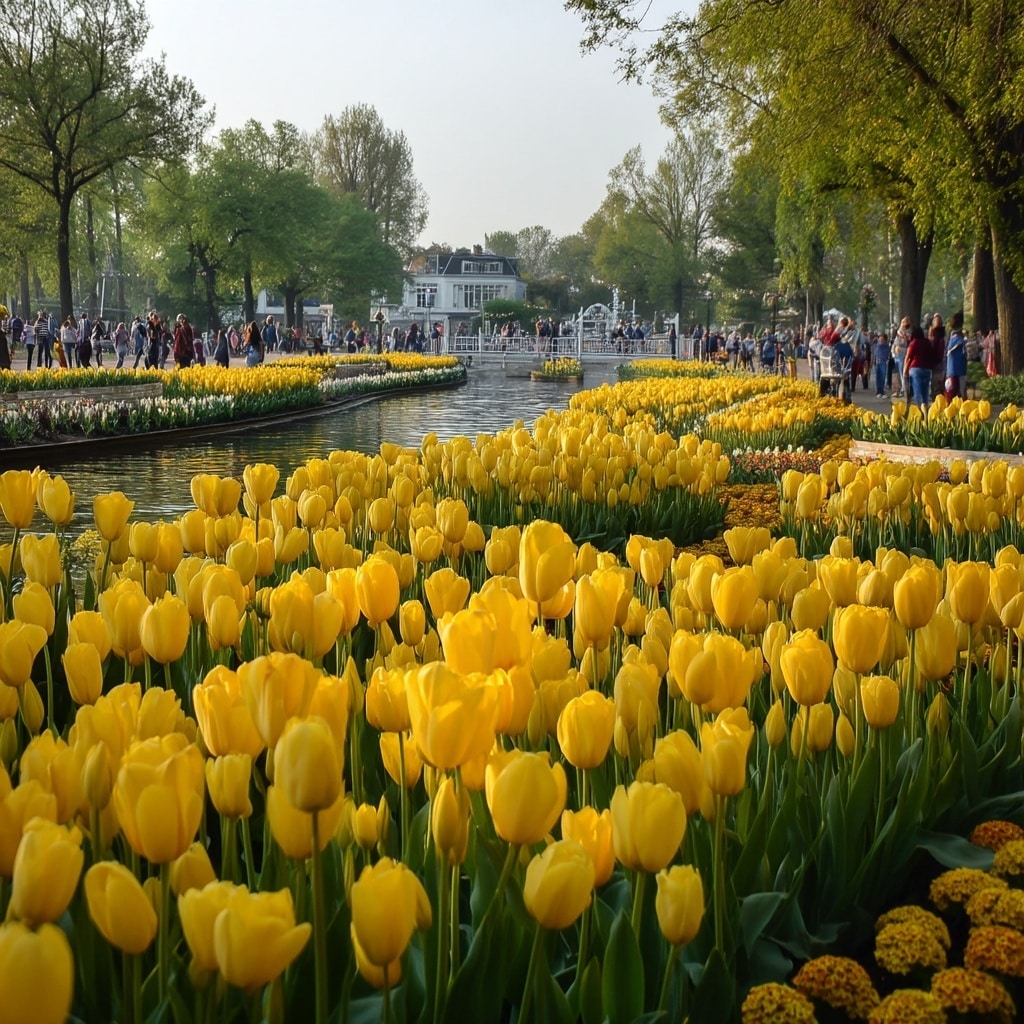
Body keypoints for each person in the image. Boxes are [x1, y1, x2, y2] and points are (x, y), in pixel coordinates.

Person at [905, 324, 932, 408]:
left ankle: (919, 408)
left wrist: (905, 371)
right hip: (927, 369)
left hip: (915, 368)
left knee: (917, 391)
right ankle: (926, 408)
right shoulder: (927, 342)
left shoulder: (914, 342)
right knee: (925, 391)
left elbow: (909, 357)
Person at [945, 313, 967, 399]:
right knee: (960, 390)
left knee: (951, 390)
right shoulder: (960, 337)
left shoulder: (952, 336)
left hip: (952, 368)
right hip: (960, 367)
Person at [928, 314, 946, 400]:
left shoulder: (941, 336)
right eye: (935, 321)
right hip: (932, 361)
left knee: (937, 381)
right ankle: (934, 396)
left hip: (938, 362)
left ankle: (938, 397)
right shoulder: (931, 333)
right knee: (933, 381)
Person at [892, 316, 911, 397]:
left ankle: (904, 390)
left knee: (902, 372)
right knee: (898, 373)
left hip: (903, 353)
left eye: (904, 322)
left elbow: (906, 342)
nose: (903, 323)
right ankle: (898, 389)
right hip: (897, 354)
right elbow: (895, 342)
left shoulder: (909, 332)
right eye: (902, 322)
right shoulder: (899, 331)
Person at [873, 330, 891, 397]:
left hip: (882, 362)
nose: (880, 339)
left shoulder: (884, 346)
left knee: (881, 377)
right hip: (878, 362)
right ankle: (879, 391)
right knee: (879, 377)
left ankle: (880, 391)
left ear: (885, 339)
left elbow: (884, 354)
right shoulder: (878, 345)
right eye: (880, 338)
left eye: (882, 338)